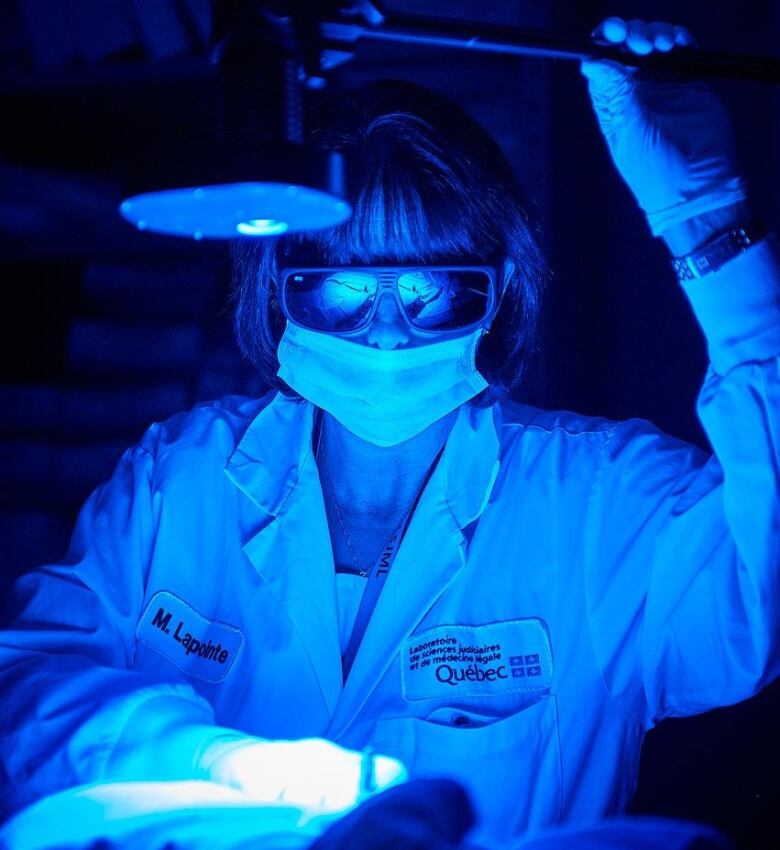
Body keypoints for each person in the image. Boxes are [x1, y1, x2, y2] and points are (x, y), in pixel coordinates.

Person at [0, 15, 778, 850]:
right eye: (337, 293)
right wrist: (225, 765)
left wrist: (705, 218)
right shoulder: (175, 479)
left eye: (433, 293)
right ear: (274, 287)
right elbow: (26, 691)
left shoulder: (605, 507)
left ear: (501, 288)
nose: (385, 335)